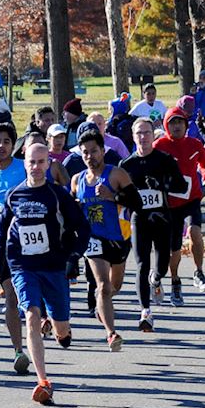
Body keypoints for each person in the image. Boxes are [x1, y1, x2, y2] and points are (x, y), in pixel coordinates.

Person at [0, 143, 91, 405]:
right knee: (31, 314)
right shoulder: (14, 195)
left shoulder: (57, 195)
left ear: (49, 164)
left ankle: (61, 329)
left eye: (41, 162)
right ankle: (43, 380)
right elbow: (2, 230)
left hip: (54, 266)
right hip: (23, 266)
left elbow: (82, 228)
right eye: (32, 162)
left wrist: (74, 257)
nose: (36, 167)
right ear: (24, 163)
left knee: (61, 324)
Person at [72, 131, 140, 351]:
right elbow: (72, 211)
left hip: (119, 238)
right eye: (85, 153)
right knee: (102, 285)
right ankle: (111, 334)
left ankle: (104, 306)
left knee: (113, 286)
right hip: (93, 240)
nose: (90, 156)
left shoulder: (116, 174)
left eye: (94, 151)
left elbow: (137, 203)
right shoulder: (78, 180)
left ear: (103, 151)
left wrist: (113, 197)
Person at [119, 118, 185, 331]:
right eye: (139, 133)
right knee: (141, 263)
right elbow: (121, 196)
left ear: (153, 135)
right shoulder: (127, 165)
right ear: (133, 135)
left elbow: (181, 185)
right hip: (140, 219)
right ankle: (145, 311)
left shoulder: (164, 160)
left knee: (162, 265)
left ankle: (156, 279)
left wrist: (161, 184)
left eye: (147, 133)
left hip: (163, 218)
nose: (143, 137)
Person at [0, 123, 34, 374]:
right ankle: (18, 351)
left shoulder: (23, 168)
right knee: (11, 296)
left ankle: (41, 324)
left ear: (14, 145)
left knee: (31, 296)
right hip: (2, 244)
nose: (1, 146)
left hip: (28, 240)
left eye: (6, 141)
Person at [155, 108, 205, 303]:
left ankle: (198, 272)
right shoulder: (160, 146)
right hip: (170, 204)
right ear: (166, 126)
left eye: (180, 122)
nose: (177, 126)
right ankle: (175, 281)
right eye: (173, 123)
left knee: (195, 233)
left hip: (191, 200)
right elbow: (149, 165)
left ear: (186, 125)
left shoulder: (194, 144)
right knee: (175, 248)